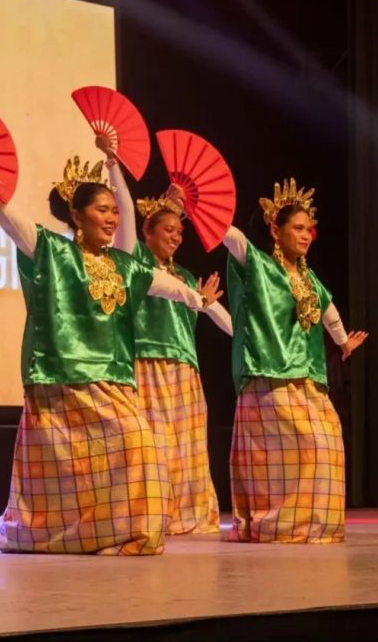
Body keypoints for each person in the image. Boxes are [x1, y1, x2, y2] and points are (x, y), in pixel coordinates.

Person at [0, 148, 216, 555]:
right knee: (65, 471)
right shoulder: (52, 251)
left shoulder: (125, 266)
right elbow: (8, 218)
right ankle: (50, 535)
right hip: (60, 379)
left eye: (114, 211)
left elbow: (166, 286)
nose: (111, 218)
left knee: (140, 448)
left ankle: (124, 533)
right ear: (76, 215)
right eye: (101, 210)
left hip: (112, 382)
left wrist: (198, 300)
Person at [222, 178, 367, 543]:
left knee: (327, 443)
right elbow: (230, 235)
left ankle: (311, 524)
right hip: (269, 375)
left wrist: (343, 342)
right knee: (286, 454)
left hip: (307, 375)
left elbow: (328, 311)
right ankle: (278, 524)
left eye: (308, 230)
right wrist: (195, 206)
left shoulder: (308, 277)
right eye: (298, 228)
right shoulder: (256, 265)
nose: (306, 236)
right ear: (276, 230)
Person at [110, 162, 231, 535]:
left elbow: (213, 310)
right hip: (147, 362)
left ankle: (185, 512)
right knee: (153, 444)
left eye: (180, 231)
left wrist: (247, 336)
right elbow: (126, 210)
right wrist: (113, 163)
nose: (176, 236)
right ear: (147, 232)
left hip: (184, 368)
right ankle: (151, 512)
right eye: (168, 229)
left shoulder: (188, 277)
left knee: (186, 447)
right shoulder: (135, 259)